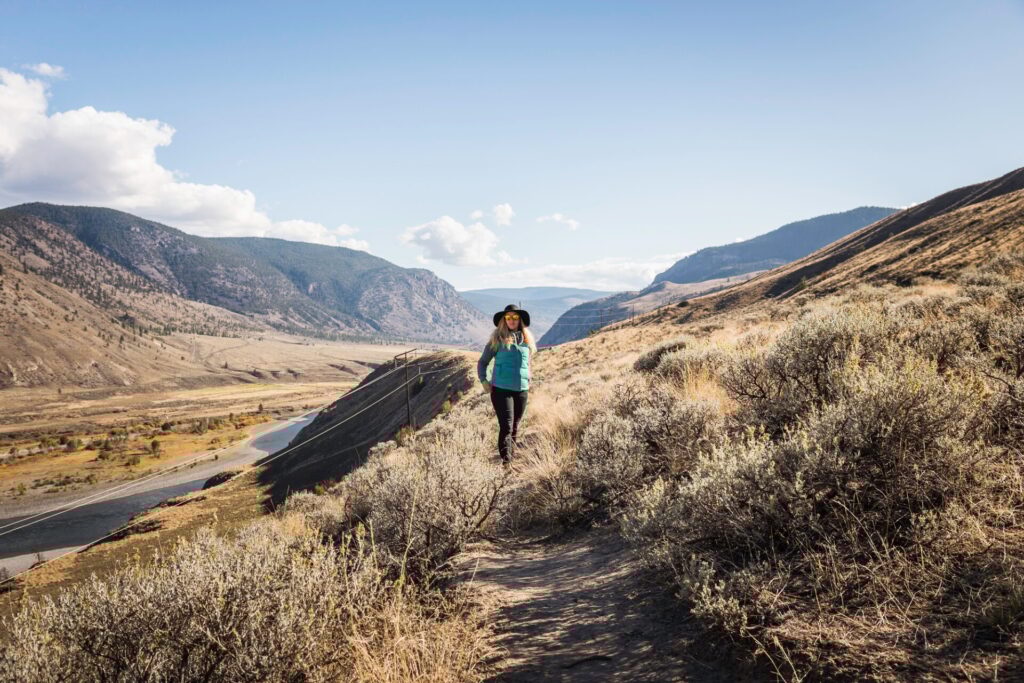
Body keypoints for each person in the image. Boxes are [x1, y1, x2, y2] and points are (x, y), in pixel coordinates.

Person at [477, 304, 537, 464]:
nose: (511, 320)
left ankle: (511, 456)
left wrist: (529, 378)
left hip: (522, 390)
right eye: (508, 317)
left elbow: (527, 363)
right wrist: (484, 380)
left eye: (515, 317)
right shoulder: (497, 339)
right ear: (504, 320)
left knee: (515, 426)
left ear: (520, 320)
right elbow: (482, 362)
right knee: (507, 427)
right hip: (501, 390)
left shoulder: (526, 341)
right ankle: (507, 462)